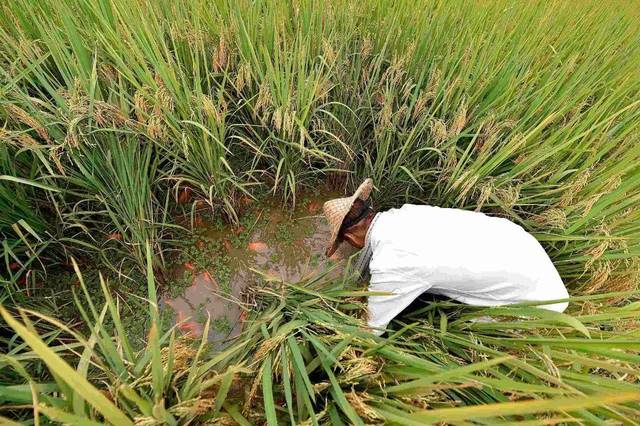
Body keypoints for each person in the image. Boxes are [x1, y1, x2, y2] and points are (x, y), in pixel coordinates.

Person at [323, 178, 569, 336]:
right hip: (523, 248)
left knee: (469, 328)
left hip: (539, 302)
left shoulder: (392, 262)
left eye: (344, 242)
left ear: (351, 236)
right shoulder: (406, 213)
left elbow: (372, 328)